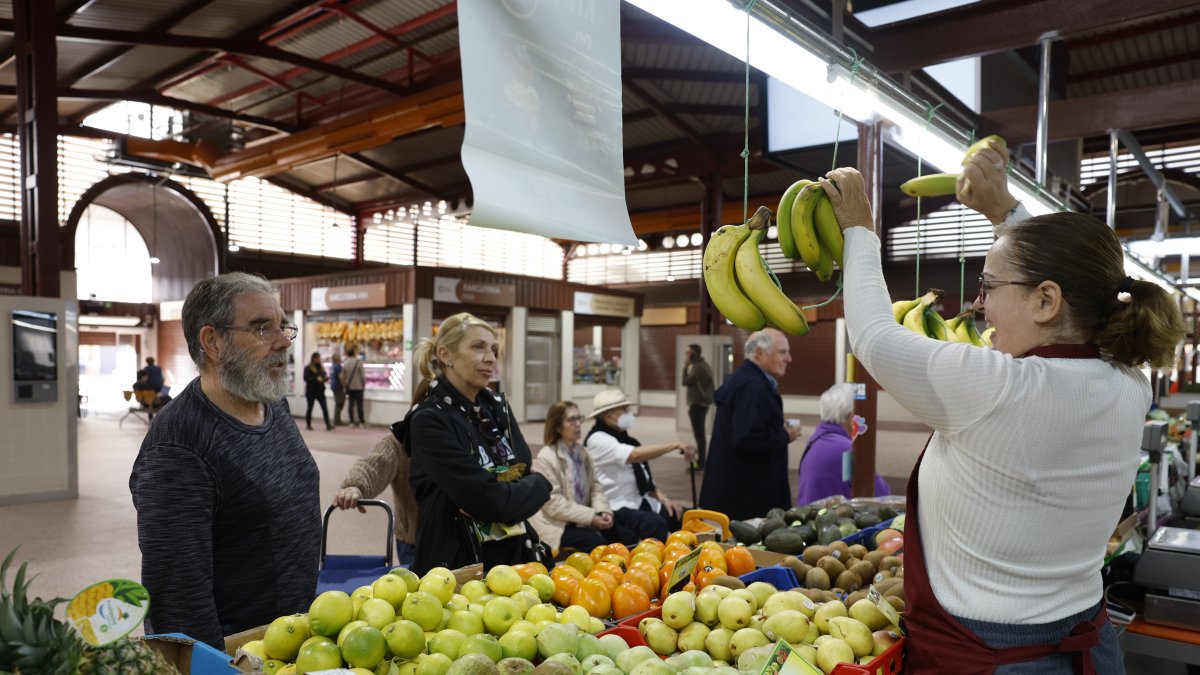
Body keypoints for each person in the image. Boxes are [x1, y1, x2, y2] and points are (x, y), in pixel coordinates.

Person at [821, 146, 1184, 674]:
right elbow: (1069, 270)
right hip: (1087, 642)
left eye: (989, 287)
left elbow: (874, 337)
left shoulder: (997, 387)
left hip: (992, 658)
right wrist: (1005, 213)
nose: (979, 305)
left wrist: (859, 229)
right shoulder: (1129, 381)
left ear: (1046, 302)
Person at [129, 272, 319, 650]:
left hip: (292, 639)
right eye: (262, 328)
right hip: (240, 652)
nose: (283, 341)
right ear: (213, 341)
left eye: (283, 326)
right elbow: (178, 604)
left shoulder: (269, 403)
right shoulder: (179, 448)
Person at [399, 312, 552, 574]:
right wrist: (540, 484)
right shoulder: (429, 420)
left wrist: (505, 489)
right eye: (478, 347)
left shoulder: (495, 407)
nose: (491, 358)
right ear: (446, 355)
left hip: (514, 558)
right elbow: (489, 500)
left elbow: (519, 470)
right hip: (459, 570)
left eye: (493, 349)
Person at [698, 328, 802, 520]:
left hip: (731, 493)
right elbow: (747, 439)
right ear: (760, 354)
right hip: (746, 503)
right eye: (782, 352)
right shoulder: (753, 387)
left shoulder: (742, 380)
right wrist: (785, 435)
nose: (789, 359)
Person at [585, 389, 695, 541]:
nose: (628, 413)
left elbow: (648, 481)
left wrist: (665, 500)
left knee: (688, 517)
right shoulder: (597, 439)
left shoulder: (627, 439)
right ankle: (653, 561)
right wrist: (675, 445)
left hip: (642, 500)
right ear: (608, 416)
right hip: (616, 506)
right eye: (624, 410)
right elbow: (634, 455)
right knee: (655, 525)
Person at [528, 400, 632, 556]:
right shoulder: (547, 456)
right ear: (557, 427)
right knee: (597, 544)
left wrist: (603, 511)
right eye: (571, 420)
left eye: (579, 418)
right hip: (558, 524)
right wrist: (591, 517)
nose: (578, 424)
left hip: (583, 518)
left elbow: (595, 488)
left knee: (627, 538)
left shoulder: (583, 452)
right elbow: (554, 505)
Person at [333, 422, 419, 567]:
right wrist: (355, 485)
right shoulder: (400, 439)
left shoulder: (463, 430)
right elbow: (373, 465)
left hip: (460, 535)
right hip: (412, 539)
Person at [796, 383, 889, 505]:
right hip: (831, 521)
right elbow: (879, 494)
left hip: (814, 518)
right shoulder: (845, 450)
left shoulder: (818, 440)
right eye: (863, 414)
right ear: (852, 416)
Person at [681, 343, 715, 468]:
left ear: (693, 354)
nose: (686, 355)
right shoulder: (701, 365)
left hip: (698, 404)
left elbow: (685, 382)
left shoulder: (699, 367)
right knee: (699, 434)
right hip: (700, 404)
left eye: (688, 352)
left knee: (699, 434)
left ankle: (702, 462)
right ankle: (702, 461)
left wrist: (685, 367)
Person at [303, 352, 333, 431]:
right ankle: (308, 425)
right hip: (311, 391)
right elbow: (306, 378)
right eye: (318, 358)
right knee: (310, 408)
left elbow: (323, 376)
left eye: (320, 358)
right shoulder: (308, 368)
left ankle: (328, 425)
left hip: (320, 391)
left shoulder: (321, 367)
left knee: (324, 408)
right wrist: (316, 379)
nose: (319, 360)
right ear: (314, 358)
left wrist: (325, 378)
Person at [341, 346, 366, 427]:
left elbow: (343, 376)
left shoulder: (345, 362)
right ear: (354, 353)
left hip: (350, 388)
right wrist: (363, 385)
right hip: (358, 387)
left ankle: (351, 422)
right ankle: (361, 422)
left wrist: (345, 385)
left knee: (350, 405)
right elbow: (362, 376)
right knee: (360, 406)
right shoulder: (359, 362)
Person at [330, 352, 346, 427]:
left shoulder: (333, 366)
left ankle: (337, 419)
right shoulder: (338, 366)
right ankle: (337, 420)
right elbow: (341, 377)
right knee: (340, 402)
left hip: (333, 385)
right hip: (338, 386)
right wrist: (344, 384)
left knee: (338, 401)